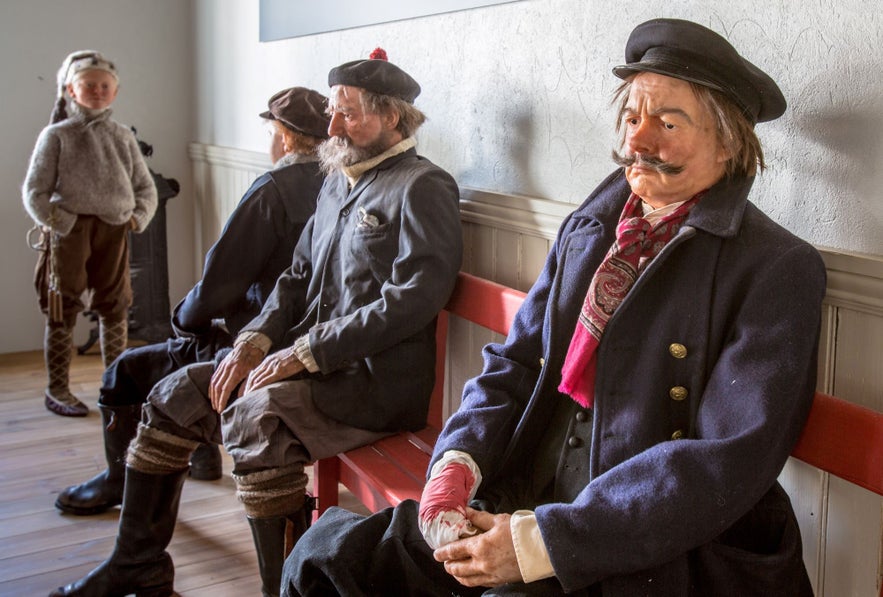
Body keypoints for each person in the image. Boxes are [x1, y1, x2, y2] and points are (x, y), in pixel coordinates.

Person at [283, 19, 827, 597]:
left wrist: (536, 545)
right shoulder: (592, 229)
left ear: (728, 142)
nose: (638, 140)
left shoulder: (776, 268)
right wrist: (457, 463)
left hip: (640, 546)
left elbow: (722, 465)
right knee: (330, 560)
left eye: (668, 123)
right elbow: (516, 362)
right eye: (631, 118)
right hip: (521, 485)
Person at [49, 49, 463, 597]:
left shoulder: (422, 186)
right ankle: (138, 566)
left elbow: (414, 297)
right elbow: (296, 275)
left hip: (371, 387)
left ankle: (286, 590)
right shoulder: (338, 180)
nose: (332, 124)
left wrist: (304, 352)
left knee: (255, 422)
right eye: (333, 111)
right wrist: (255, 339)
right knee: (174, 394)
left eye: (347, 112)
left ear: (391, 117)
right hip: (307, 368)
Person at [52, 86, 331, 516]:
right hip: (309, 346)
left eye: (272, 132)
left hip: (261, 346)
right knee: (191, 345)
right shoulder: (340, 186)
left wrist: (181, 319)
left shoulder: (274, 189)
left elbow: (220, 283)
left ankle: (119, 479)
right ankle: (198, 455)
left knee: (125, 370)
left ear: (287, 137)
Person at [23, 50, 158, 417]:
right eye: (89, 85)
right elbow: (34, 191)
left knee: (115, 307)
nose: (97, 92)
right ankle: (58, 389)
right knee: (62, 307)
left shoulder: (122, 137)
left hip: (114, 231)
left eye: (104, 87)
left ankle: (116, 386)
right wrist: (62, 223)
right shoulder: (56, 136)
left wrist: (134, 219)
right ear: (71, 89)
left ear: (114, 93)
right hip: (69, 234)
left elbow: (145, 189)